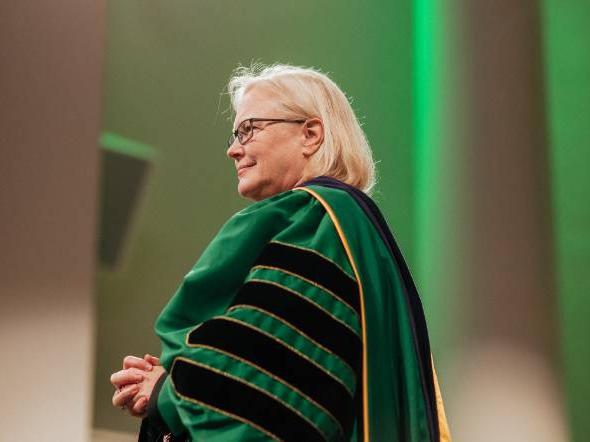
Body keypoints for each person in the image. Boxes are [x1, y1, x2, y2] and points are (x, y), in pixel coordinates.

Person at [110, 63, 452, 441]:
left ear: (310, 134)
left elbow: (271, 387)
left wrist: (172, 392)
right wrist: (179, 377)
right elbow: (284, 357)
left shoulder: (315, 220)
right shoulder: (346, 227)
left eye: (248, 129)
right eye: (233, 133)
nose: (233, 149)